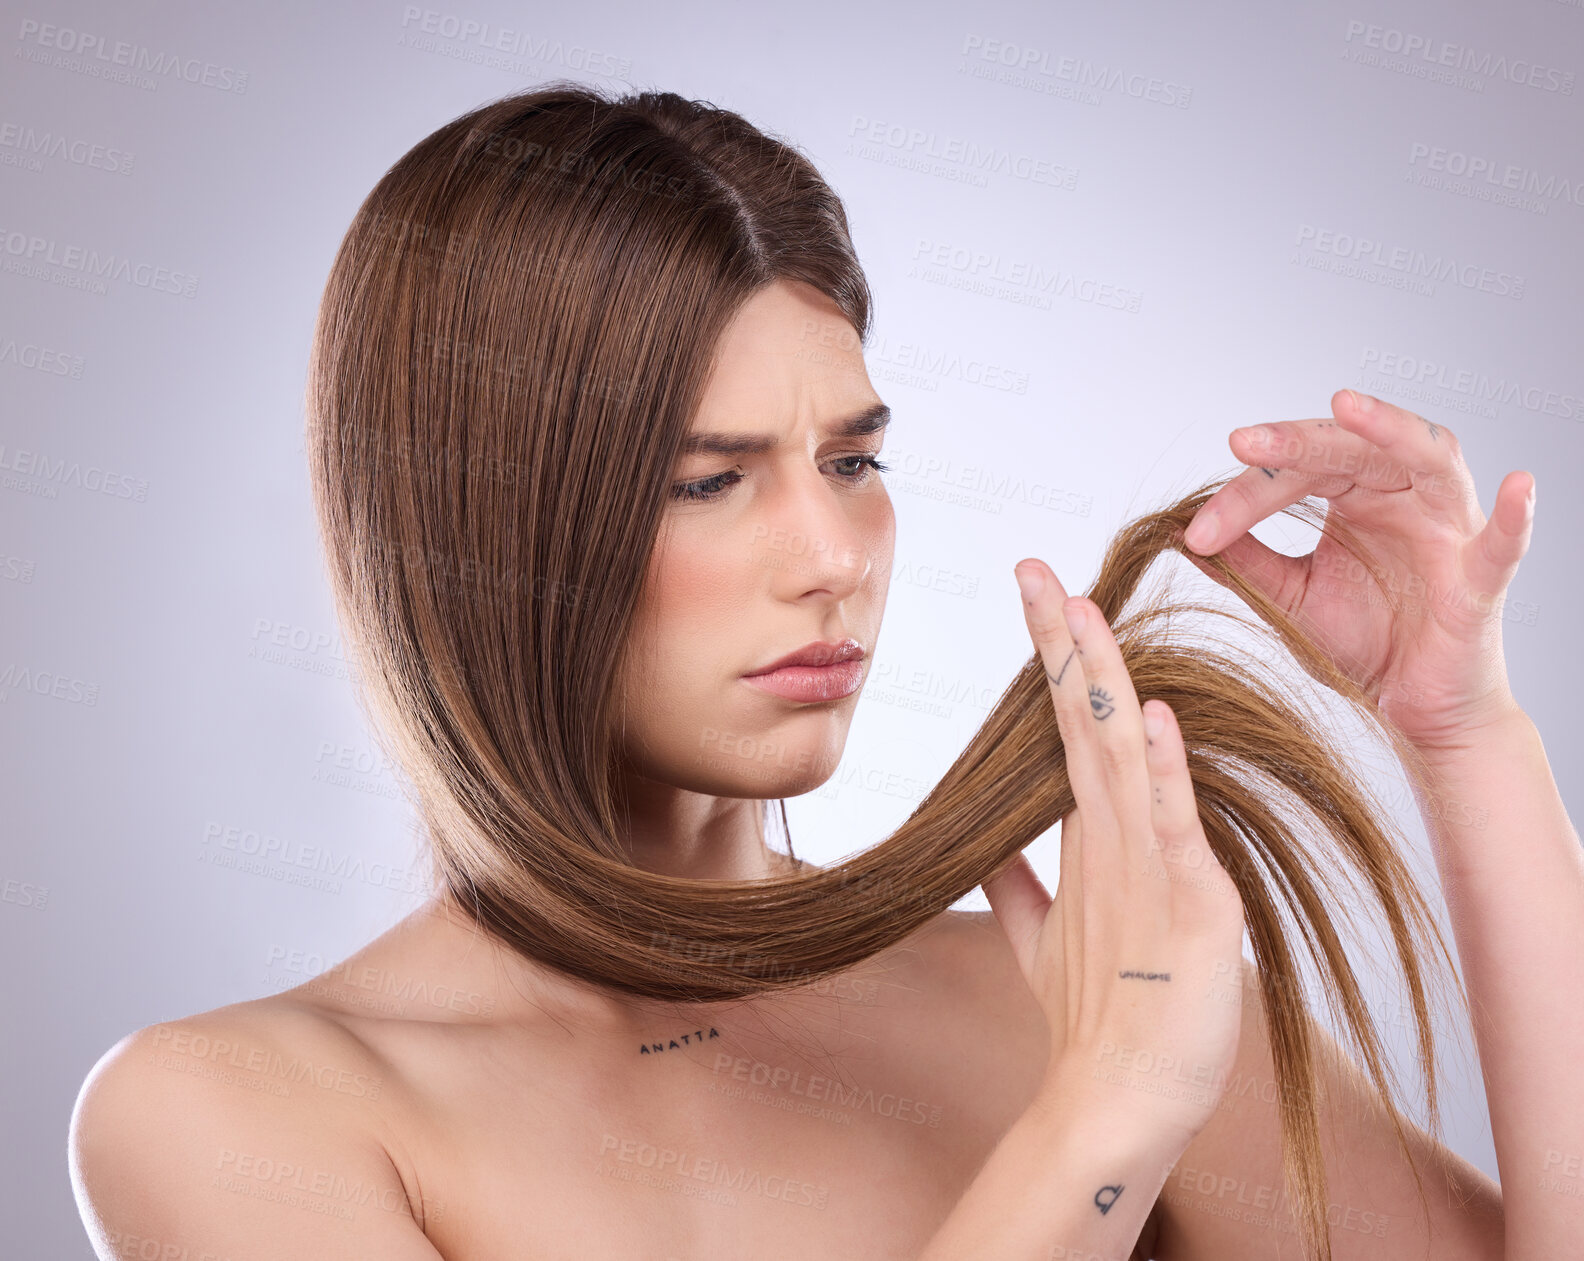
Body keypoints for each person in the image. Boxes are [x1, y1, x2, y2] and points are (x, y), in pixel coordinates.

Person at [67, 83, 1577, 1260]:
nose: (832, 551)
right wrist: (1100, 1124)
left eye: (851, 457)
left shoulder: (1090, 985)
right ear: (485, 525)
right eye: (708, 479)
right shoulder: (238, 1113)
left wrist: (1466, 730)